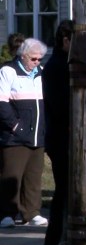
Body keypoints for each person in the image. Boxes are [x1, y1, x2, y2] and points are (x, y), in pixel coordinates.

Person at [0, 38, 48, 228]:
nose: (37, 62)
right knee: (11, 176)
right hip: (14, 137)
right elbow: (2, 103)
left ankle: (32, 212)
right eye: (33, 59)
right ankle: (7, 213)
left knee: (33, 176)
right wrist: (15, 127)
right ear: (23, 55)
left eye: (39, 59)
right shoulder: (8, 71)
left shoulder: (41, 74)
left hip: (37, 135)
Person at [39, 20, 75, 245]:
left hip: (67, 136)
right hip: (61, 138)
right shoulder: (56, 67)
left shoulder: (67, 64)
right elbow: (62, 106)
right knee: (63, 194)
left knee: (68, 194)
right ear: (65, 40)